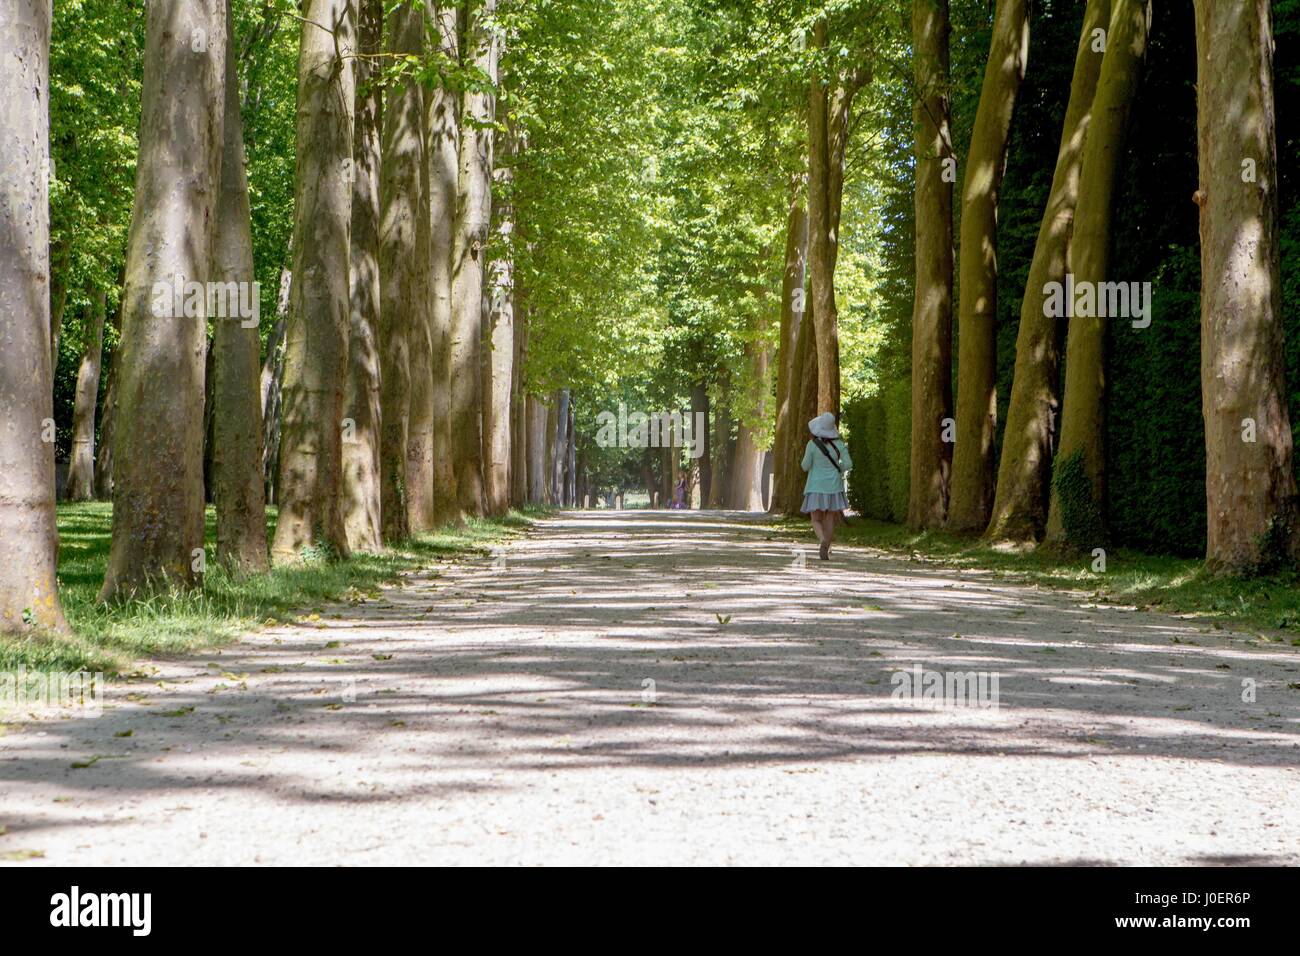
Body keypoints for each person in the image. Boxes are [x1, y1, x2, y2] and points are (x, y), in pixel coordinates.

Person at [800, 411, 852, 560]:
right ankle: (827, 547)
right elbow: (848, 464)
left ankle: (822, 540)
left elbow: (805, 466)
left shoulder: (812, 444)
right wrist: (838, 469)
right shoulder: (840, 445)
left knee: (815, 518)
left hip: (815, 486)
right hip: (834, 487)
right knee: (829, 518)